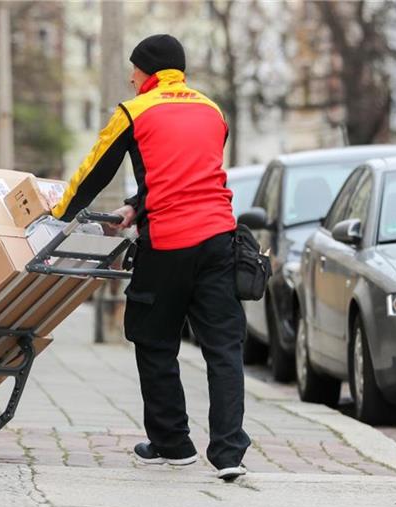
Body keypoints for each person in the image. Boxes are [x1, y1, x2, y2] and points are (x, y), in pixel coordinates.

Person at [49, 34, 250, 481]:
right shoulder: (212, 110)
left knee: (155, 341)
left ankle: (172, 443)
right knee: (224, 347)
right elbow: (189, 172)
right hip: (220, 240)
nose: (130, 76)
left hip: (170, 243)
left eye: (134, 68)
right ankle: (229, 452)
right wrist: (137, 205)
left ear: (149, 71)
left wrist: (56, 214)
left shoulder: (133, 111)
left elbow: (94, 170)